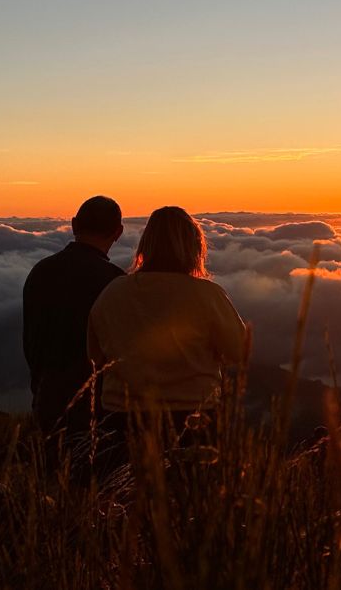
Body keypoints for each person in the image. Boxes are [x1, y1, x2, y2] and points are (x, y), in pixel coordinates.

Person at [88, 206, 245, 447]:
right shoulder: (207, 295)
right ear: (195, 246)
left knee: (125, 485)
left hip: (121, 420)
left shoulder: (113, 292)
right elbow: (239, 351)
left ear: (145, 245)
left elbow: (95, 356)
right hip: (193, 419)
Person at [23, 196, 125, 463]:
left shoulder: (40, 272)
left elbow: (32, 344)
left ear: (73, 225)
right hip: (101, 408)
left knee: (57, 488)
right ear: (118, 232)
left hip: (48, 400)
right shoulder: (116, 283)